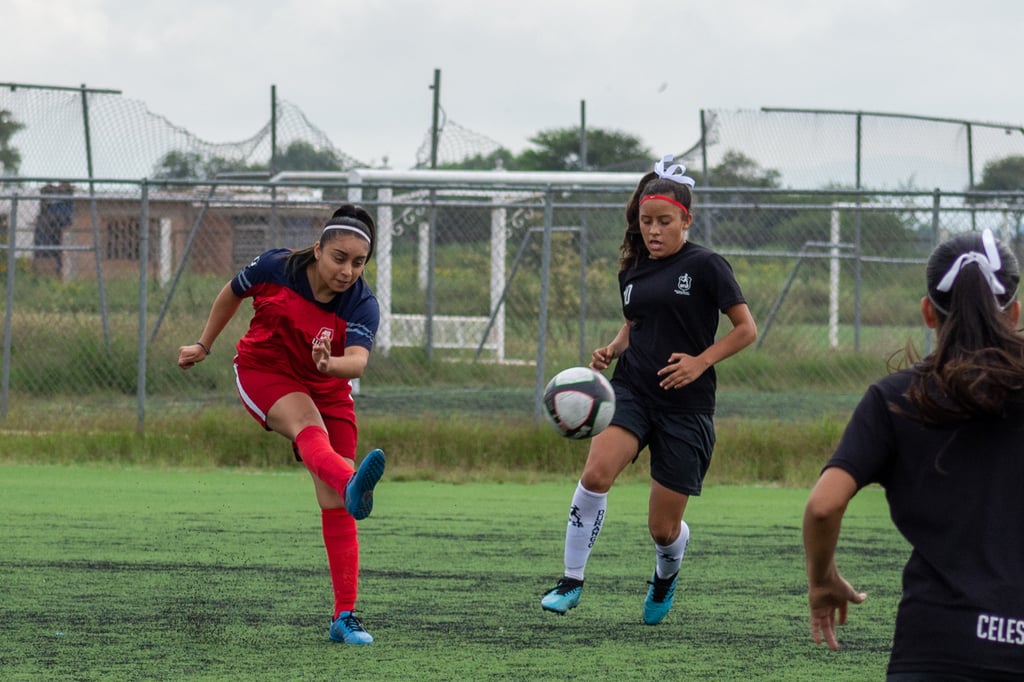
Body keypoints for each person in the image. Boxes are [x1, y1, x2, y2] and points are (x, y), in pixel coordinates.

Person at [540, 155, 758, 624]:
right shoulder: (633, 269)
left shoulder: (707, 266)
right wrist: (615, 348)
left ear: (686, 221)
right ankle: (570, 580)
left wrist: (701, 361)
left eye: (664, 222)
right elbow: (635, 321)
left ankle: (664, 575)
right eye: (646, 222)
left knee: (662, 529)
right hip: (633, 390)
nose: (653, 231)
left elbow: (746, 330)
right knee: (596, 475)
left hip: (686, 407)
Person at [803, 228, 1024, 680]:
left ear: (928, 312)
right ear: (1015, 312)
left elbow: (824, 506)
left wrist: (822, 579)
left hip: (936, 643)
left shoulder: (895, 398)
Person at [177, 204, 386, 645]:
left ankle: (344, 616)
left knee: (334, 501)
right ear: (317, 250)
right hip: (265, 369)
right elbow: (231, 293)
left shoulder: (362, 304)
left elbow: (359, 364)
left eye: (358, 262)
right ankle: (353, 483)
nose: (348, 270)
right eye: (339, 258)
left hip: (328, 385)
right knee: (311, 430)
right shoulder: (276, 266)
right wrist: (203, 343)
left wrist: (330, 364)